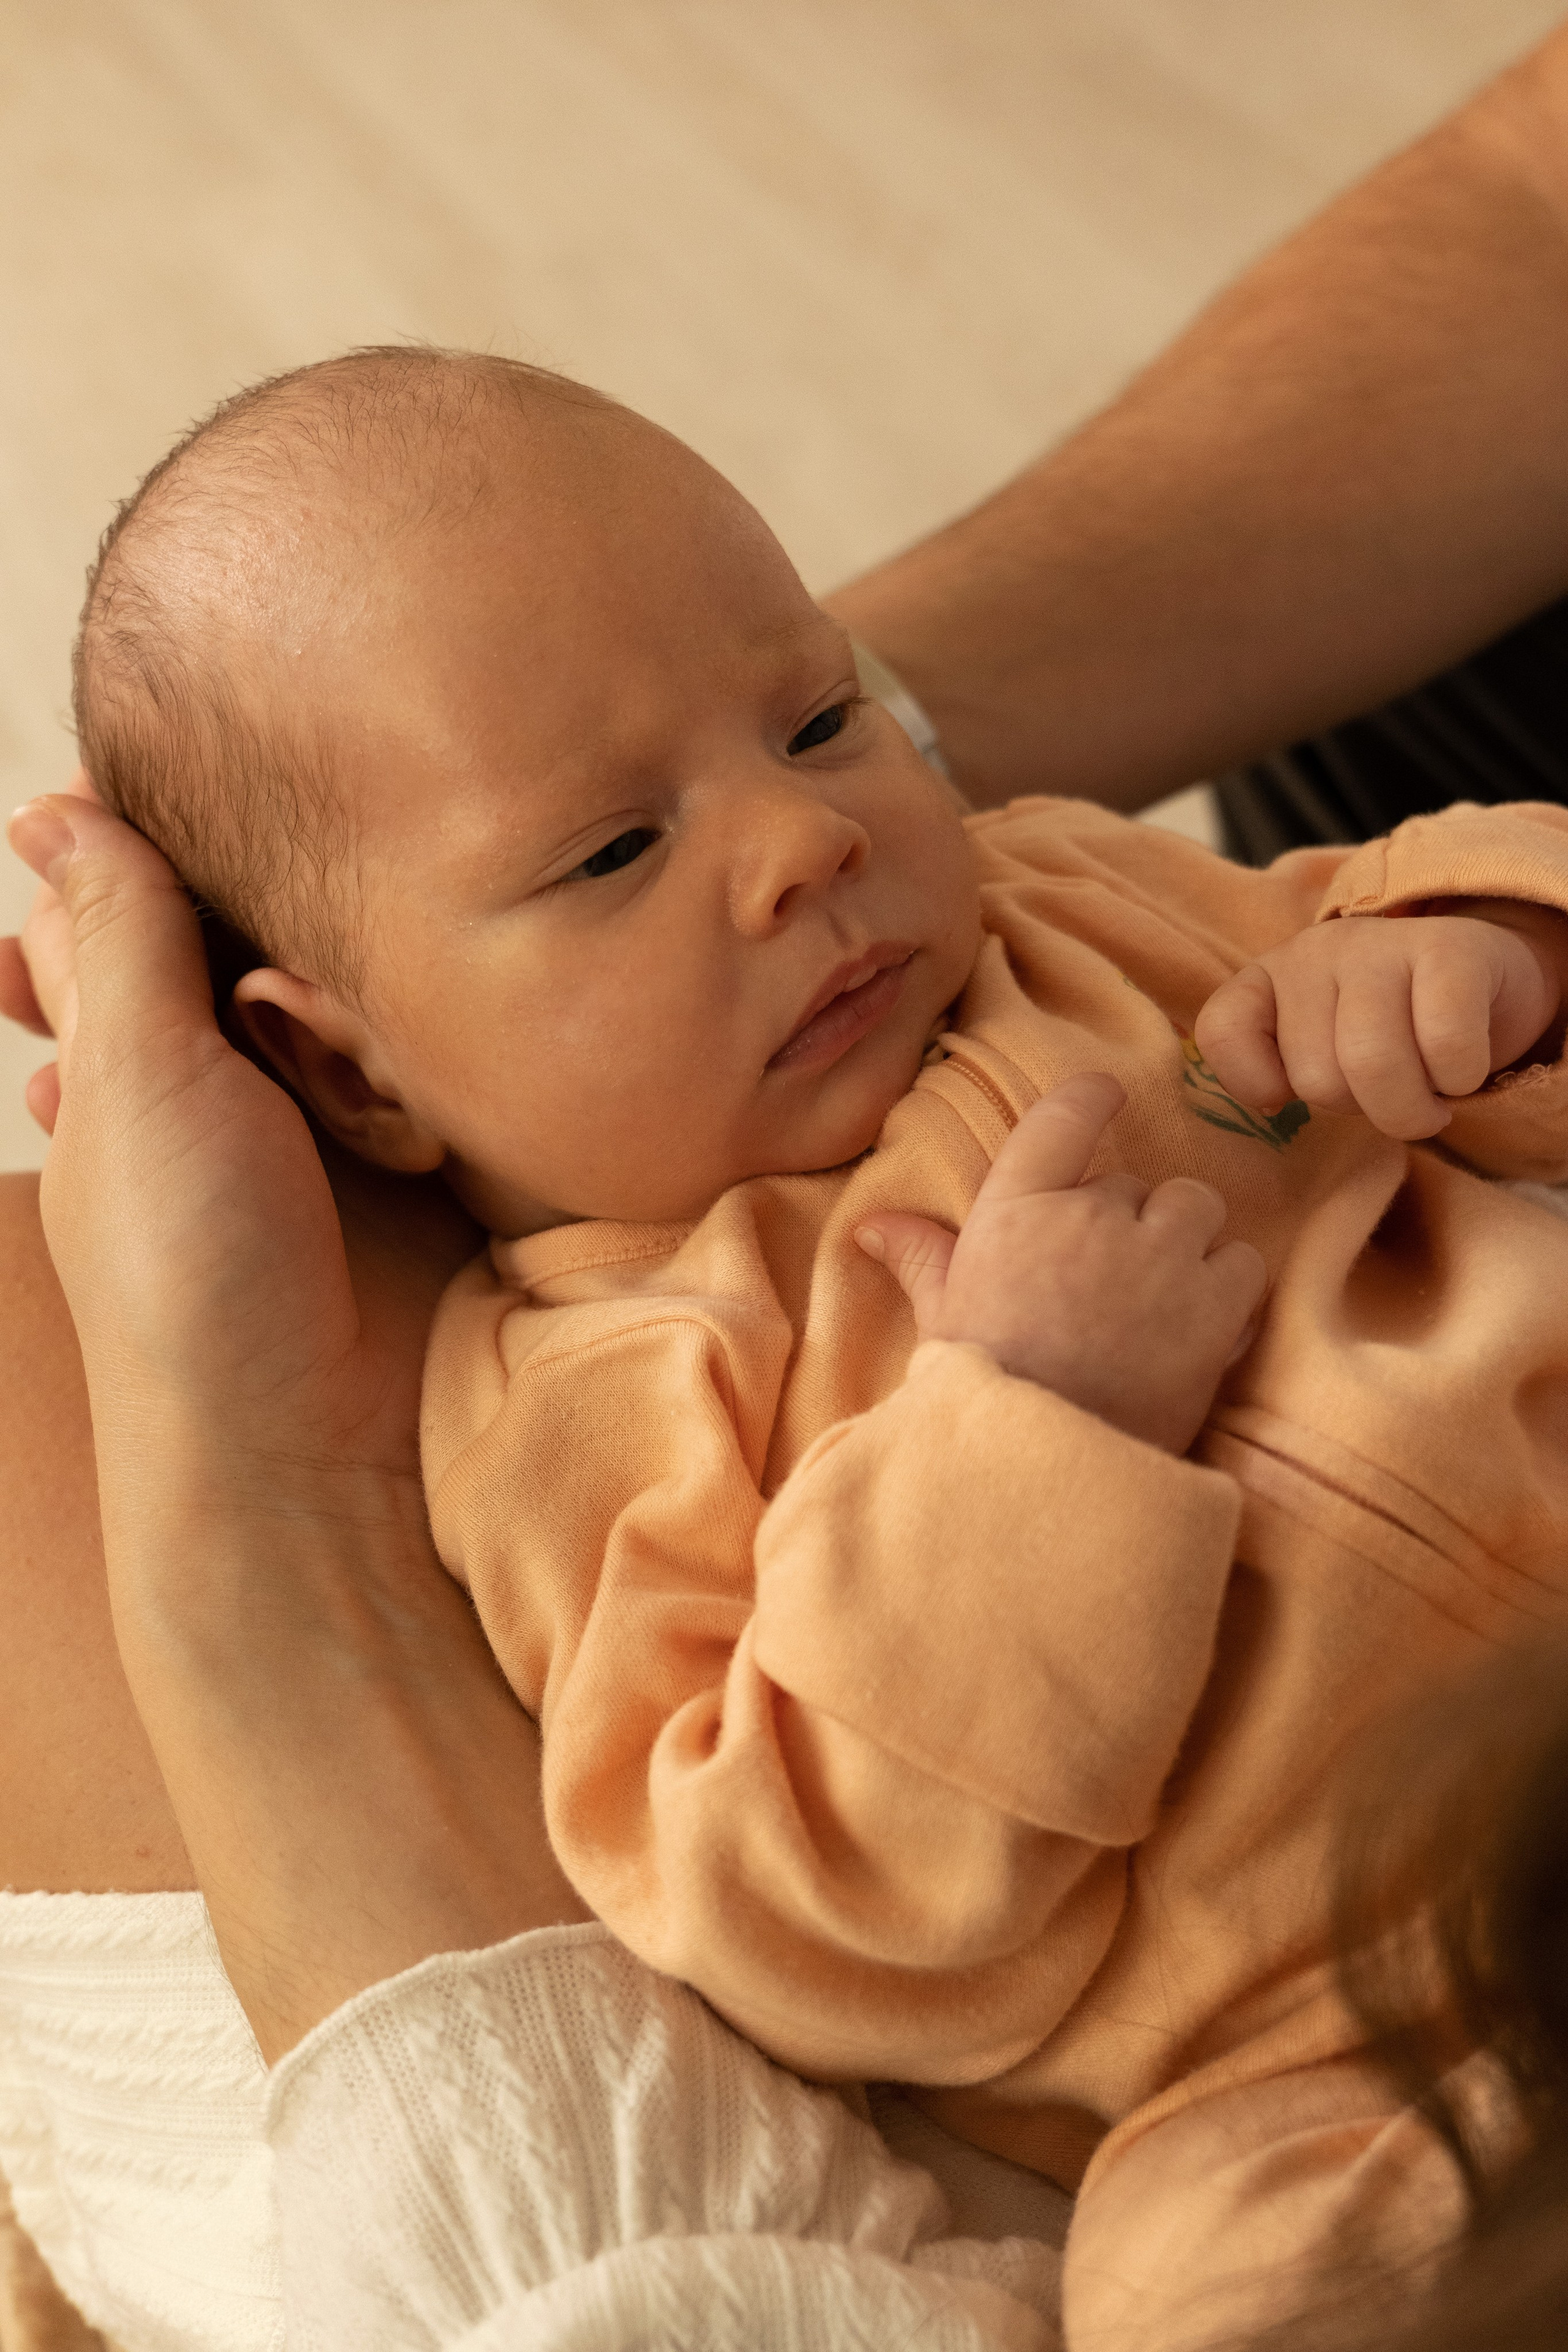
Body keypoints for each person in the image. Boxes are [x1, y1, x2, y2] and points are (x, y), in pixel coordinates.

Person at [7, 18, 1568, 2349]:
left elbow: (1406, 932)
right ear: (350, 1078)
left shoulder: (1063, 906)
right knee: (1206, 2288)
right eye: (618, 849)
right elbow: (803, 1908)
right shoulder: (573, 1415)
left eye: (824, 710)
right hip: (1343, 2036)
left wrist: (1470, 950)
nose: (804, 837)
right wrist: (1032, 1443)